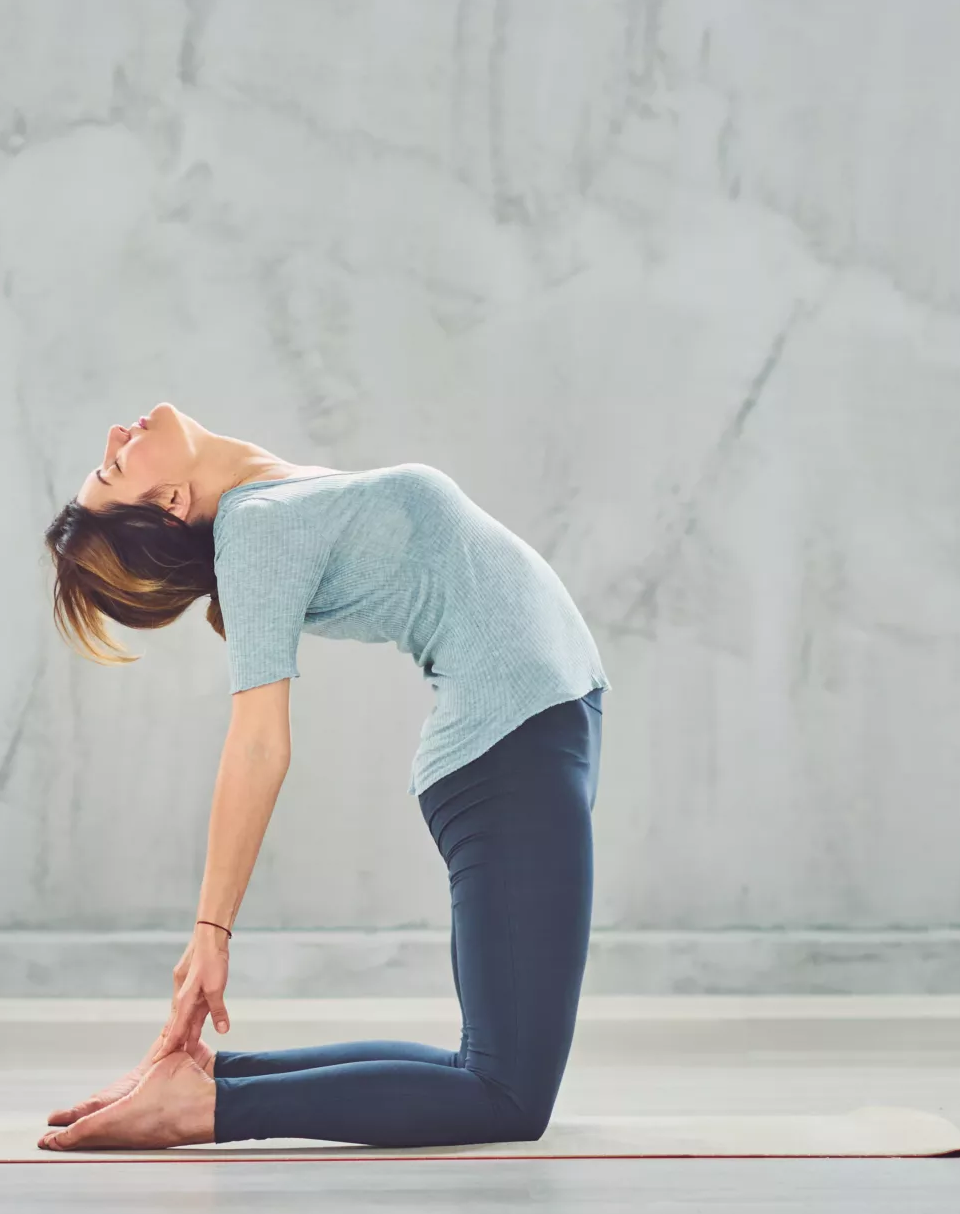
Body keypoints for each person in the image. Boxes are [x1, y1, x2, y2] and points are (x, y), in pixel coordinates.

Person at [35, 402, 608, 1150]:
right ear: (174, 504)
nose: (116, 433)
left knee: (486, 1069)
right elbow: (258, 743)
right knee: (505, 1095)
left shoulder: (271, 501)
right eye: (114, 467)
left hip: (537, 735)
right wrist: (211, 931)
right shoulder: (255, 533)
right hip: (507, 755)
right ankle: (201, 1113)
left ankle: (207, 1080)